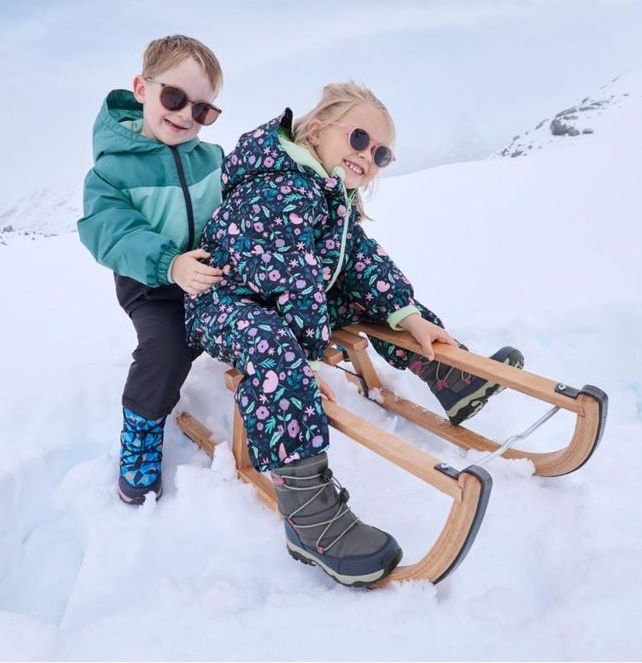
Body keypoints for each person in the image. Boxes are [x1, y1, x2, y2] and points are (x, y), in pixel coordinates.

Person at [185, 82, 523, 586]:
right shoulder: (277, 184)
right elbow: (290, 279)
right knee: (276, 356)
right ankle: (310, 519)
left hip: (288, 296)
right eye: (360, 139)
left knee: (374, 296)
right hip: (227, 301)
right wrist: (304, 365)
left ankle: (448, 376)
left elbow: (362, 262)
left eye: (381, 153)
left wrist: (407, 314)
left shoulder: (331, 193)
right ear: (319, 131)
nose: (368, 157)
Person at [77, 35, 226, 505]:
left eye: (202, 110)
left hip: (206, 272)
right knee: (167, 347)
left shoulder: (212, 159)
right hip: (150, 283)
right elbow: (111, 231)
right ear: (142, 88)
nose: (186, 115)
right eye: (175, 98)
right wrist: (168, 263)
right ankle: (141, 432)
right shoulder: (111, 171)